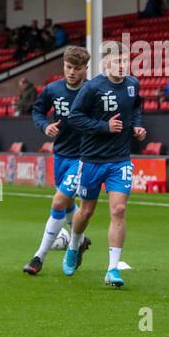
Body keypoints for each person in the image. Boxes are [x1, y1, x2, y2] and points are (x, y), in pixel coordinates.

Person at [64, 41, 145, 288]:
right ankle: (73, 245)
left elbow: (136, 107)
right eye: (117, 61)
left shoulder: (132, 85)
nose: (122, 66)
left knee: (118, 210)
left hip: (120, 159)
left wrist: (137, 127)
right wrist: (104, 127)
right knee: (86, 211)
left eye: (125, 61)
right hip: (91, 159)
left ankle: (113, 269)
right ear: (106, 63)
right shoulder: (92, 88)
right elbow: (75, 117)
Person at [22, 46, 90, 276]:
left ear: (85, 69)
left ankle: (39, 257)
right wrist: (45, 125)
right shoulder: (53, 89)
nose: (71, 72)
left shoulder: (92, 91)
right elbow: (38, 111)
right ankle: (79, 242)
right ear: (63, 65)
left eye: (77, 68)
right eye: (68, 67)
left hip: (82, 157)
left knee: (59, 202)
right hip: (60, 155)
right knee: (68, 203)